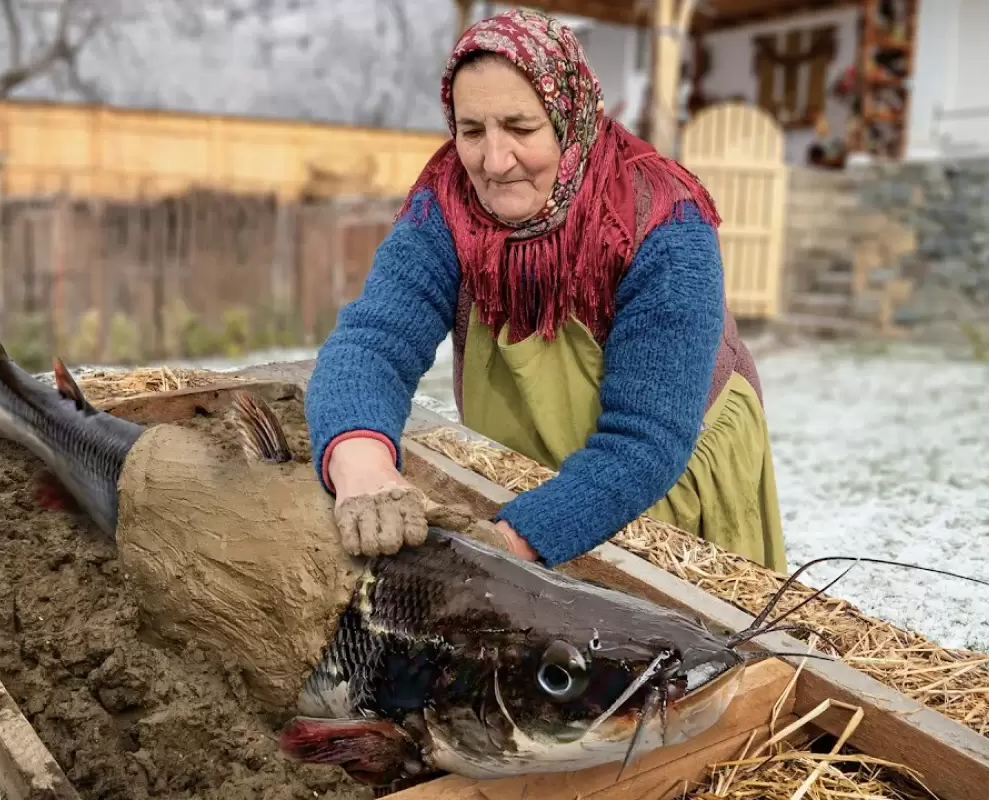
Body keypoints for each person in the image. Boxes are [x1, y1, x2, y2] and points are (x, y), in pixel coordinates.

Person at [303, 9, 787, 574]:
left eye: (522, 128)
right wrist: (361, 465)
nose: (495, 161)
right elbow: (375, 340)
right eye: (471, 130)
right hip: (534, 444)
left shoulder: (664, 225)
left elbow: (647, 440)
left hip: (669, 461)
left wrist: (507, 542)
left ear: (568, 117)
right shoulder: (448, 204)